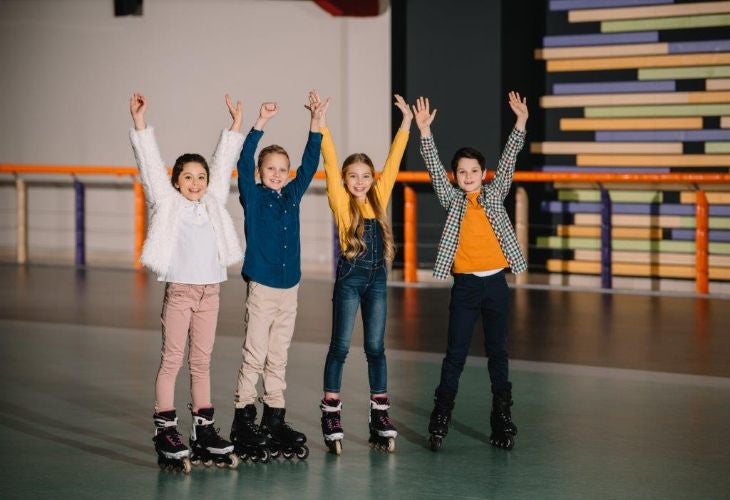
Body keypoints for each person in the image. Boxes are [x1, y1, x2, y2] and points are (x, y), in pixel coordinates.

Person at [129, 92, 243, 472]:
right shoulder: (168, 203)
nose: (196, 182)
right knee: (172, 360)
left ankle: (204, 430)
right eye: (188, 177)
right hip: (180, 292)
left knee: (202, 362)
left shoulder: (213, 201)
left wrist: (235, 125)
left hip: (211, 291)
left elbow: (224, 161)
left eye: (201, 177)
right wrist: (141, 123)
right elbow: (148, 165)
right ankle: (166, 429)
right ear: (175, 182)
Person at [413, 92, 528, 451]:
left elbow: (509, 160)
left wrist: (520, 123)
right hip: (465, 287)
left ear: (483, 174)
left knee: (498, 352)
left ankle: (502, 418)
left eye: (474, 171)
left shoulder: (494, 196)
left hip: (495, 284)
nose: (467, 176)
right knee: (455, 355)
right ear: (456, 176)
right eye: (461, 172)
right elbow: (433, 168)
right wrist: (425, 133)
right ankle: (441, 418)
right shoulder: (452, 200)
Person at [312, 90, 412, 454]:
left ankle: (379, 413)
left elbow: (395, 160)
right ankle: (331, 410)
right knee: (340, 346)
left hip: (378, 282)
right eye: (352, 176)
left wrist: (405, 124)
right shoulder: (341, 203)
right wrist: (321, 125)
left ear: (373, 178)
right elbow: (330, 158)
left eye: (365, 176)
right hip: (350, 281)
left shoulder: (378, 197)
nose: (359, 182)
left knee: (375, 347)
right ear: (344, 180)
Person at [230, 95, 325, 461]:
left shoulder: (292, 197)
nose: (277, 173)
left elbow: (311, 163)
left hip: (290, 289)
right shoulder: (252, 196)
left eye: (282, 169)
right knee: (254, 353)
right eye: (270, 168)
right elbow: (241, 160)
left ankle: (274, 416)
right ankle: (243, 415)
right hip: (263, 287)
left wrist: (315, 123)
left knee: (279, 356)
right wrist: (259, 123)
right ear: (260, 172)